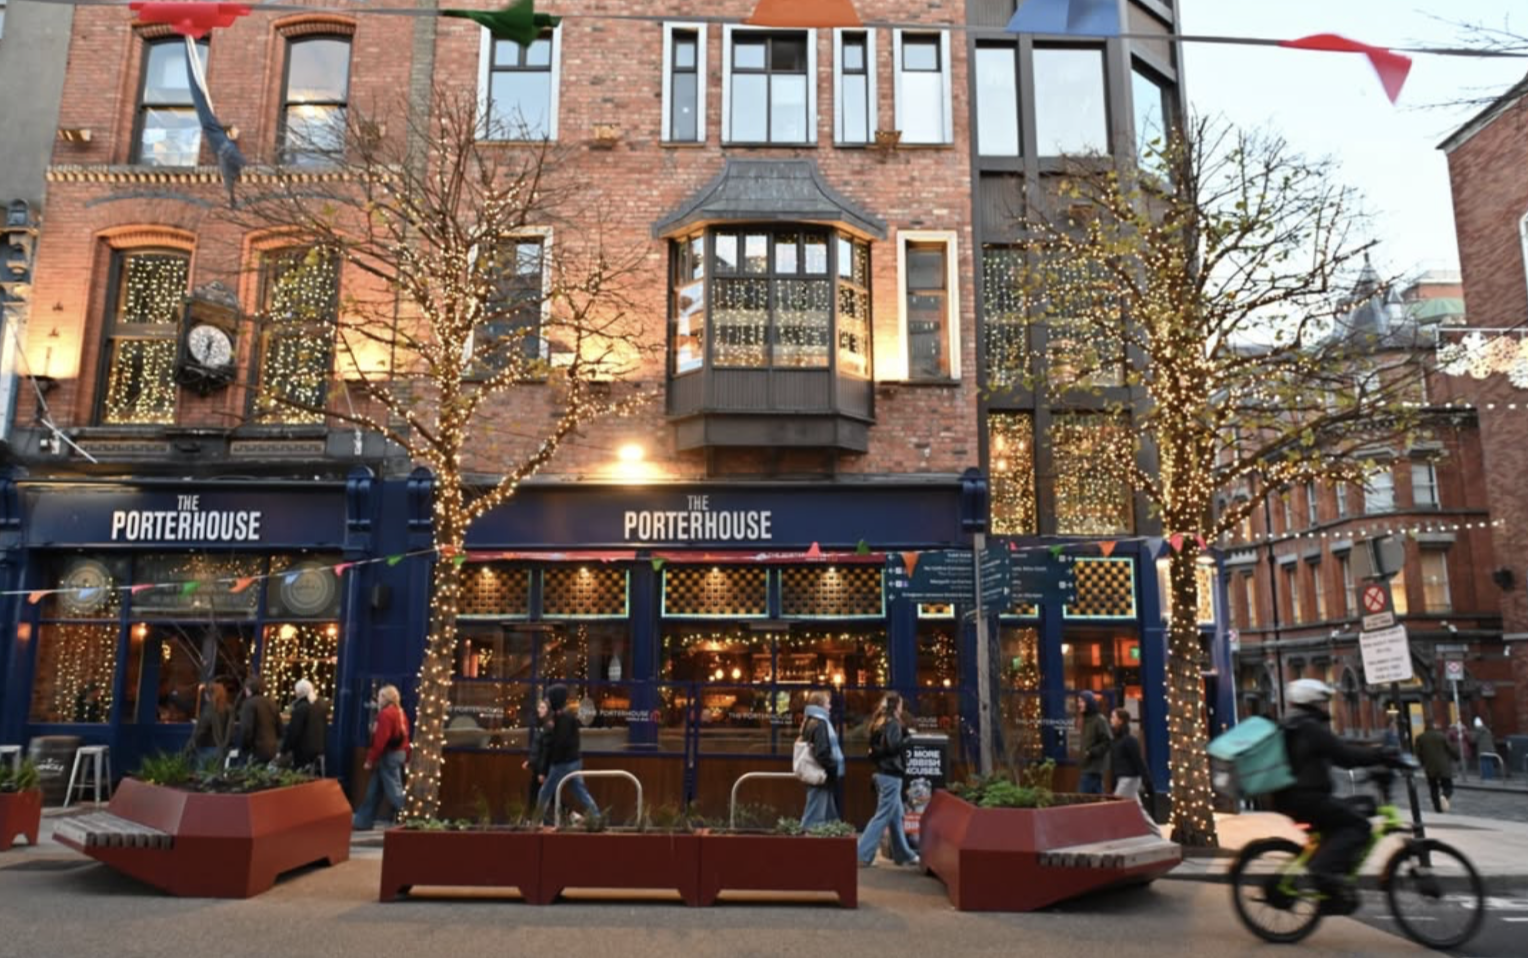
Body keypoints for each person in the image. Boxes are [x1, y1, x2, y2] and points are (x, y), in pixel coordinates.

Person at [1272, 679, 1398, 914]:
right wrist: (1381, 755)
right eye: (1322, 702)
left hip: (1295, 796)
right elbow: (1344, 755)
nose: (1325, 706)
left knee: (1350, 814)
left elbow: (1338, 753)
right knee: (1358, 826)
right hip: (1306, 797)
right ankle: (1322, 873)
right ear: (1311, 702)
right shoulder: (1309, 727)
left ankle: (1330, 880)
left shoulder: (1294, 724)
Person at [856, 692, 918, 867]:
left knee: (896, 817)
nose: (902, 708)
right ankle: (861, 854)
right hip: (891, 774)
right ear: (896, 706)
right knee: (882, 816)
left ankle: (903, 854)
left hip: (881, 772)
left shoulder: (879, 721)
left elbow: (880, 747)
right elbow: (893, 746)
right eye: (901, 704)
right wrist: (907, 738)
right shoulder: (892, 723)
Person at [536, 684, 600, 825]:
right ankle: (597, 817)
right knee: (579, 791)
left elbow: (559, 742)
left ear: (555, 699)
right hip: (573, 760)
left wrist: (550, 764)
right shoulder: (566, 716)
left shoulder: (562, 718)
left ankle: (537, 819)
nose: (548, 701)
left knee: (545, 791)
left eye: (550, 698)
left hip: (562, 763)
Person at [353, 685, 411, 830]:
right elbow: (405, 737)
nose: (378, 699)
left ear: (385, 698)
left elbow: (380, 740)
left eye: (380, 696)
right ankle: (362, 821)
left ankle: (413, 817)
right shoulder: (401, 713)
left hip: (388, 756)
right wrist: (407, 757)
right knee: (374, 790)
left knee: (394, 791)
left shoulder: (385, 715)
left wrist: (370, 759)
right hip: (398, 754)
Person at [1110, 708, 1162, 837]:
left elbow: (1139, 762)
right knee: (1138, 810)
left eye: (1113, 717)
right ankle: (1157, 834)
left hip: (1129, 779)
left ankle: (1113, 836)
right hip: (1123, 779)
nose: (1111, 720)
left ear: (1120, 721)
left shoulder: (1129, 741)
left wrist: (1148, 782)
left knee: (1114, 806)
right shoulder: (1116, 740)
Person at [800, 689, 843, 828]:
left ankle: (833, 835)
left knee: (828, 816)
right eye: (827, 703)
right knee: (814, 818)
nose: (830, 706)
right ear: (820, 705)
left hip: (816, 773)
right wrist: (833, 767)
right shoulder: (821, 723)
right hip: (821, 774)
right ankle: (806, 839)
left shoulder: (809, 721)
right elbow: (821, 752)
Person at [279, 679, 329, 773]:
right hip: (319, 749)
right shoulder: (321, 706)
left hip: (303, 751)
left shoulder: (301, 708)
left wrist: (284, 750)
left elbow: (293, 732)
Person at [1415, 718, 1459, 813]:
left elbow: (1418, 753)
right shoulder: (1441, 736)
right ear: (1434, 726)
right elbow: (1450, 748)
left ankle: (1437, 808)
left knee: (1433, 788)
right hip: (1444, 766)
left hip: (1430, 767)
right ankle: (1444, 795)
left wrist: (1422, 763)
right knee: (1448, 786)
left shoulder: (1420, 738)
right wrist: (1456, 757)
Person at [237, 677, 283, 764]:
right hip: (272, 749)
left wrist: (243, 747)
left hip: (255, 750)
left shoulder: (248, 704)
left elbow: (247, 730)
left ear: (249, 689)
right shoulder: (272, 703)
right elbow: (280, 729)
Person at [192, 682, 233, 768]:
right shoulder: (229, 709)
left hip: (207, 749)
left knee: (203, 774)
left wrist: (189, 748)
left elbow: (200, 732)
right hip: (222, 750)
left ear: (209, 695)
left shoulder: (209, 710)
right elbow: (230, 731)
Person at [1077, 691, 1111, 795]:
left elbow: (1107, 741)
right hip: (1087, 766)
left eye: (1082, 701)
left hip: (1094, 767)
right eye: (1078, 701)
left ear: (1089, 702)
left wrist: (1091, 752)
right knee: (1096, 796)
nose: (1079, 704)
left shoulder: (1099, 720)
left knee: (1082, 797)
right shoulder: (1086, 720)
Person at [522, 698, 551, 812]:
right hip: (538, 766)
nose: (539, 709)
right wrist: (530, 761)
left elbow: (546, 750)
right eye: (539, 707)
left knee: (539, 794)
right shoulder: (540, 725)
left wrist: (542, 772)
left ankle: (571, 814)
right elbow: (537, 747)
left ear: (548, 710)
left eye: (543, 707)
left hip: (542, 768)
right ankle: (532, 818)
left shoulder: (548, 727)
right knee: (538, 794)